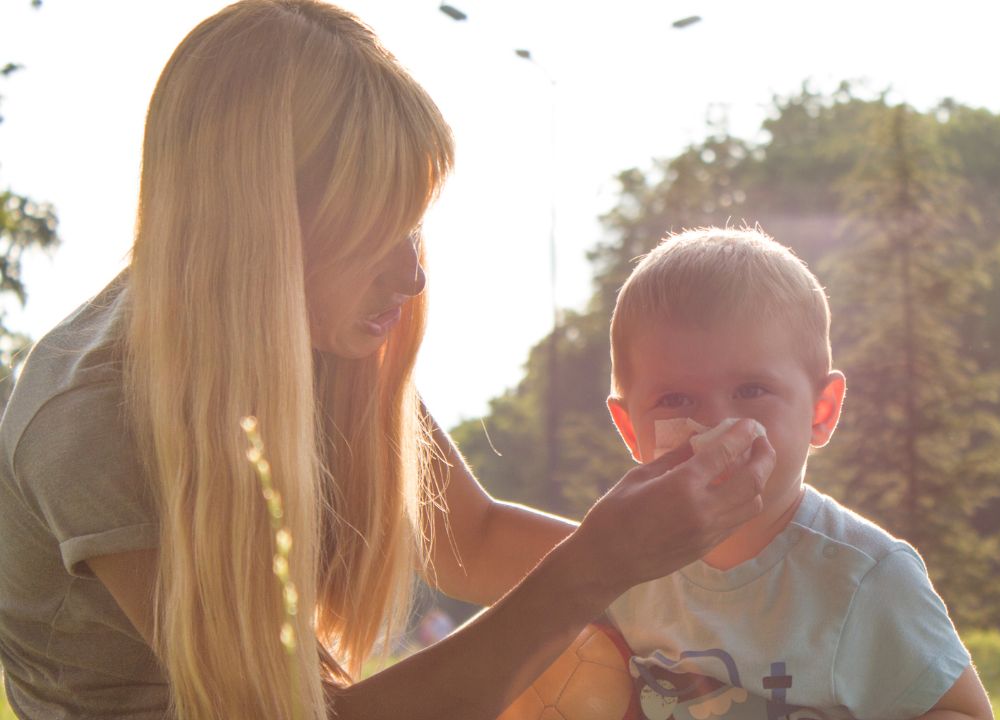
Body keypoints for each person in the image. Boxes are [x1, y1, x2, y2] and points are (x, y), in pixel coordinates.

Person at [0, 3, 775, 719]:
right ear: (261, 228)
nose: (412, 276)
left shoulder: (317, 338)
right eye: (376, 231)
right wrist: (598, 569)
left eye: (414, 228)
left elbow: (470, 538)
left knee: (591, 653)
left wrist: (723, 585)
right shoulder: (94, 416)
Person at [603, 227, 994, 719]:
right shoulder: (620, 568)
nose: (717, 426)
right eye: (675, 400)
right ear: (630, 429)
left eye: (751, 390)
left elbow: (963, 713)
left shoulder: (862, 576)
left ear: (821, 412)